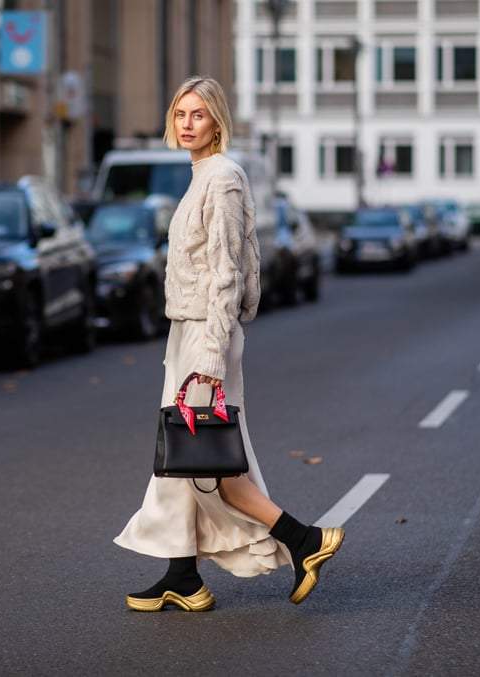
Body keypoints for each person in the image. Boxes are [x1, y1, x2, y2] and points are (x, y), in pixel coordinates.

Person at [113, 76, 345, 612]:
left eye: (198, 114)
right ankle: (183, 577)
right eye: (180, 114)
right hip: (189, 330)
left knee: (208, 461)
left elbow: (226, 272)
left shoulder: (221, 178)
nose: (186, 123)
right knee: (184, 458)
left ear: (217, 121)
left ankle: (305, 539)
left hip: (206, 333)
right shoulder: (202, 175)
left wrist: (212, 356)